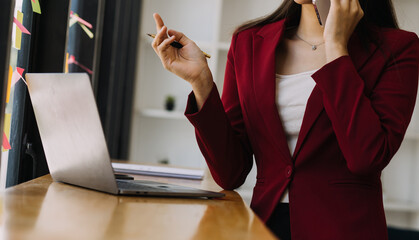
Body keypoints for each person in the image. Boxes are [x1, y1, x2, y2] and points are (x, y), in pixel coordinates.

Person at [151, 0, 419, 239]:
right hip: (265, 226)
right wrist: (201, 83)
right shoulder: (248, 42)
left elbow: (367, 158)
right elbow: (230, 173)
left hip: (345, 228)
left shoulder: (398, 48)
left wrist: (336, 48)